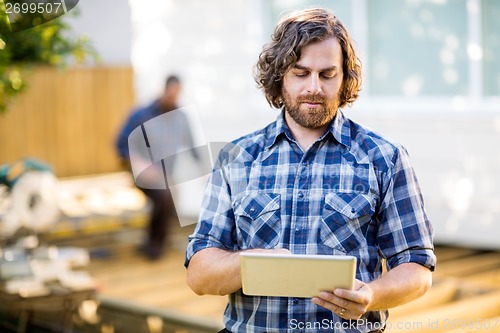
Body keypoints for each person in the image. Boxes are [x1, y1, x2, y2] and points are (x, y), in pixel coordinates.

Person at [185, 8, 436, 333]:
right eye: (301, 73)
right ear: (280, 77)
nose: (314, 87)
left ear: (345, 77)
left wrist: (372, 295)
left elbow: (417, 269)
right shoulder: (237, 158)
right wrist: (255, 263)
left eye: (327, 74)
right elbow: (199, 275)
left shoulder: (384, 157)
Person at [116, 75, 197, 260]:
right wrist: (138, 162)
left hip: (165, 176)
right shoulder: (141, 115)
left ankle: (156, 242)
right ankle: (153, 247)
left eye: (177, 94)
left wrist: (205, 170)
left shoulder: (181, 118)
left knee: (168, 194)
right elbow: (120, 143)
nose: (173, 98)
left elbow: (192, 147)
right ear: (164, 90)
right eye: (170, 93)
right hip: (142, 173)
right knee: (164, 195)